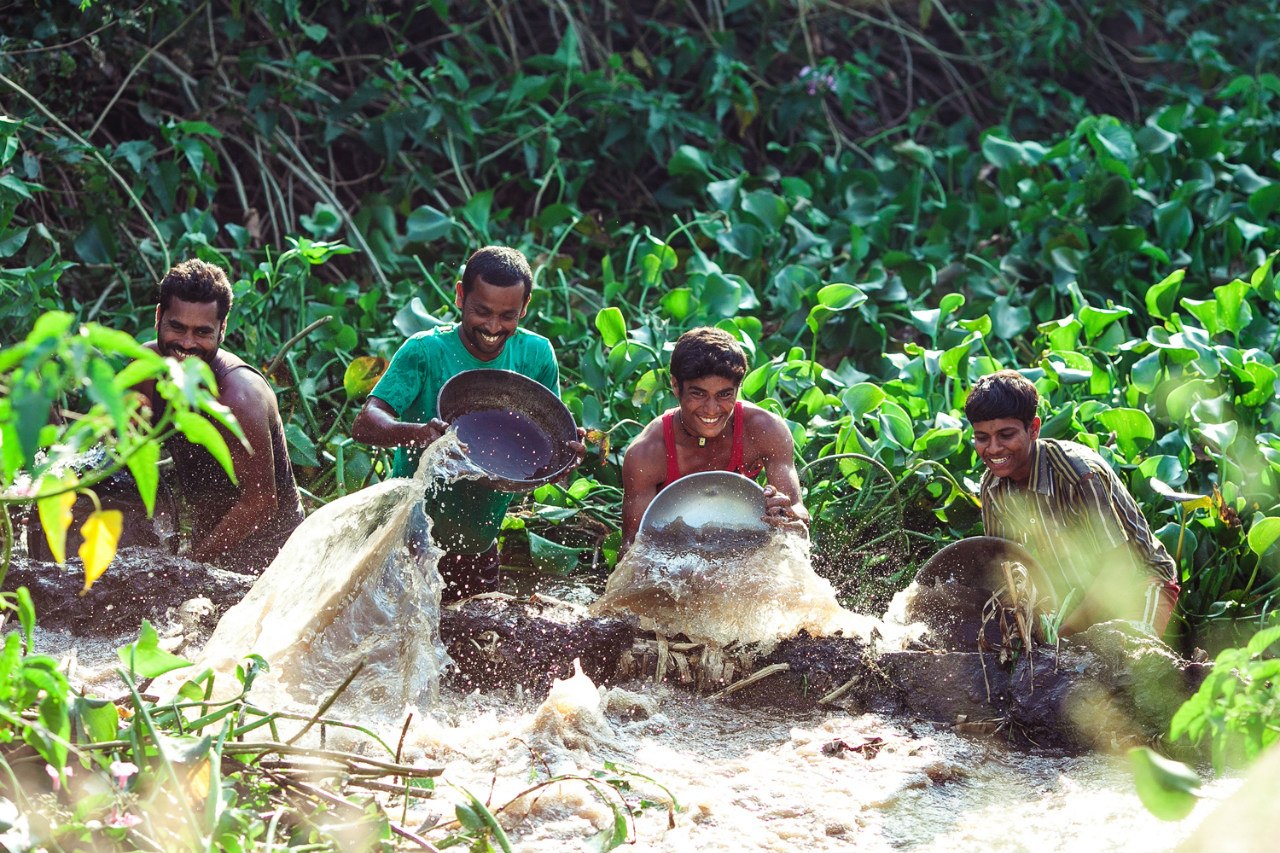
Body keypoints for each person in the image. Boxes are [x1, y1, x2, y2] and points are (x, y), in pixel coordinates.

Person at [351, 246, 583, 601]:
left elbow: (545, 454)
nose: (493, 327)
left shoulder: (536, 355)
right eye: (481, 311)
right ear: (460, 296)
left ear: (525, 307)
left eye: (508, 315)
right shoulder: (425, 352)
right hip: (406, 540)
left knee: (476, 645)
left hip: (478, 545)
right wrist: (417, 434)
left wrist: (567, 457)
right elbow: (366, 424)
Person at [964, 369, 1179, 634]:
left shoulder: (1079, 472)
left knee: (1131, 663)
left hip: (1137, 581)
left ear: (1033, 429)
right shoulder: (992, 485)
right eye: (982, 438)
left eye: (1006, 435)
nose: (994, 449)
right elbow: (1006, 569)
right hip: (1073, 592)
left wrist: (1064, 633)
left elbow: (1119, 566)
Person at [140, 259, 305, 572]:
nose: (187, 344)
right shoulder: (146, 369)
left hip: (272, 555)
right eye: (177, 327)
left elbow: (260, 505)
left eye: (202, 332)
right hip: (205, 535)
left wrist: (190, 564)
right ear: (159, 317)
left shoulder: (238, 397)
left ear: (222, 330)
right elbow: (120, 451)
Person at [619, 326, 809, 550]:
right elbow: (632, 547)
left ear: (738, 389)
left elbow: (800, 520)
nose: (711, 410)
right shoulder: (647, 453)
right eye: (698, 394)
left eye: (724, 394)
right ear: (675, 386)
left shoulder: (765, 429)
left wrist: (788, 516)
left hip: (744, 542)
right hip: (672, 552)